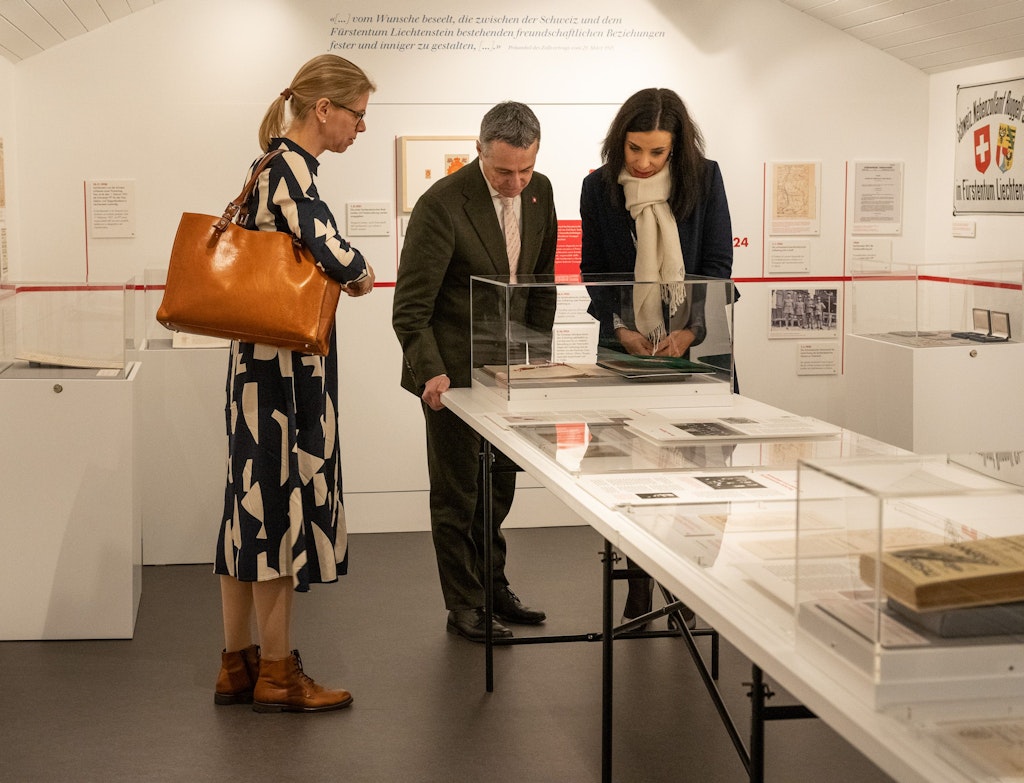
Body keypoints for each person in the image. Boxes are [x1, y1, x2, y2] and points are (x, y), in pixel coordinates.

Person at [213, 54, 376, 713]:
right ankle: (276, 671)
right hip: (279, 372)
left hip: (259, 367)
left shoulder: (268, 166)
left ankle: (238, 662)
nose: (360, 129)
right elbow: (331, 248)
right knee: (274, 511)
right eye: (358, 115)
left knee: (246, 513)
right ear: (324, 110)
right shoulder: (288, 172)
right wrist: (360, 271)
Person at [392, 102, 558, 642]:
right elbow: (411, 309)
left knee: (500, 488)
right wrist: (430, 375)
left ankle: (493, 588)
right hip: (451, 378)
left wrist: (537, 360)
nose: (515, 183)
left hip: (510, 372)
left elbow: (540, 283)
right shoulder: (441, 204)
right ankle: (463, 605)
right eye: (502, 171)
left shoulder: (542, 192)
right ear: (479, 149)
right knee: (457, 494)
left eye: (525, 169)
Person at [579, 87, 734, 626]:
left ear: (678, 151)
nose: (643, 164)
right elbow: (594, 271)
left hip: (697, 352)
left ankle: (692, 586)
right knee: (628, 471)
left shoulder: (705, 179)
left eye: (657, 153)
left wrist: (691, 330)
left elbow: (716, 266)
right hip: (629, 352)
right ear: (619, 141)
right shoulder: (598, 189)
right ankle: (640, 583)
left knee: (703, 472)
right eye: (634, 149)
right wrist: (619, 327)